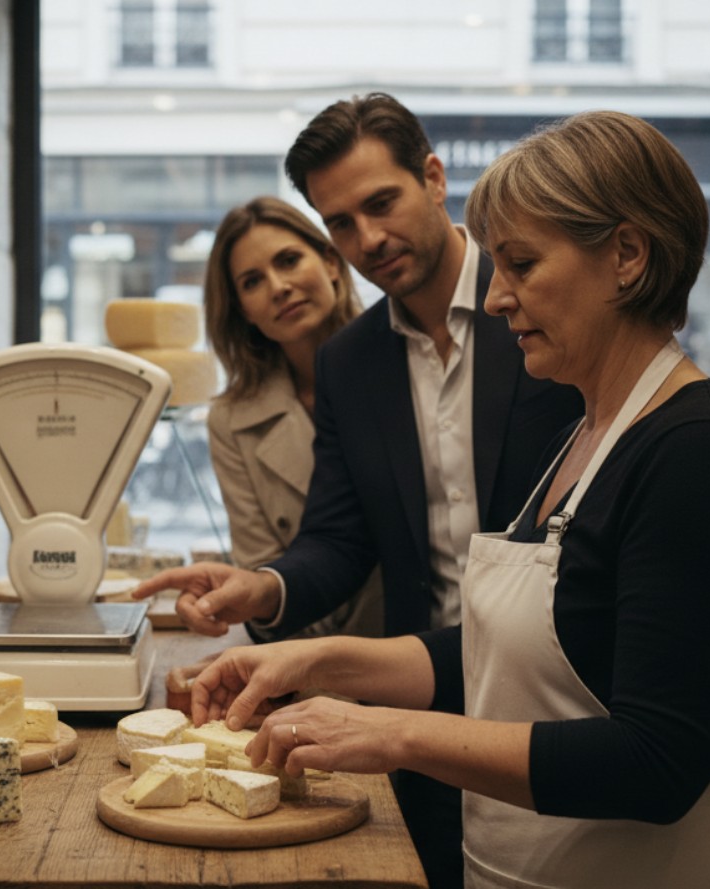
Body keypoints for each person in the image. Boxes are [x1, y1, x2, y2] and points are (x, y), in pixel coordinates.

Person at [185, 110, 710, 889]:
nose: (498, 298)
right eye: (497, 266)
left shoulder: (702, 452)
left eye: (523, 264)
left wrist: (390, 731)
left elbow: (656, 760)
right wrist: (313, 658)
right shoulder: (587, 430)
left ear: (627, 256)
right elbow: (504, 650)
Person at [136, 92, 583, 888]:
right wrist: (263, 586)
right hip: (416, 701)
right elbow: (340, 541)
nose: (367, 240)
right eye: (340, 222)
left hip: (560, 693)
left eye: (382, 203)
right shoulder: (352, 360)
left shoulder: (537, 309)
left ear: (435, 178)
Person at [203, 196, 382, 639]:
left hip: (424, 653)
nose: (278, 286)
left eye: (288, 260)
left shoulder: (402, 364)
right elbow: (260, 569)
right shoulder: (232, 420)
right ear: (243, 309)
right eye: (252, 281)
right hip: (305, 665)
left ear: (331, 263)